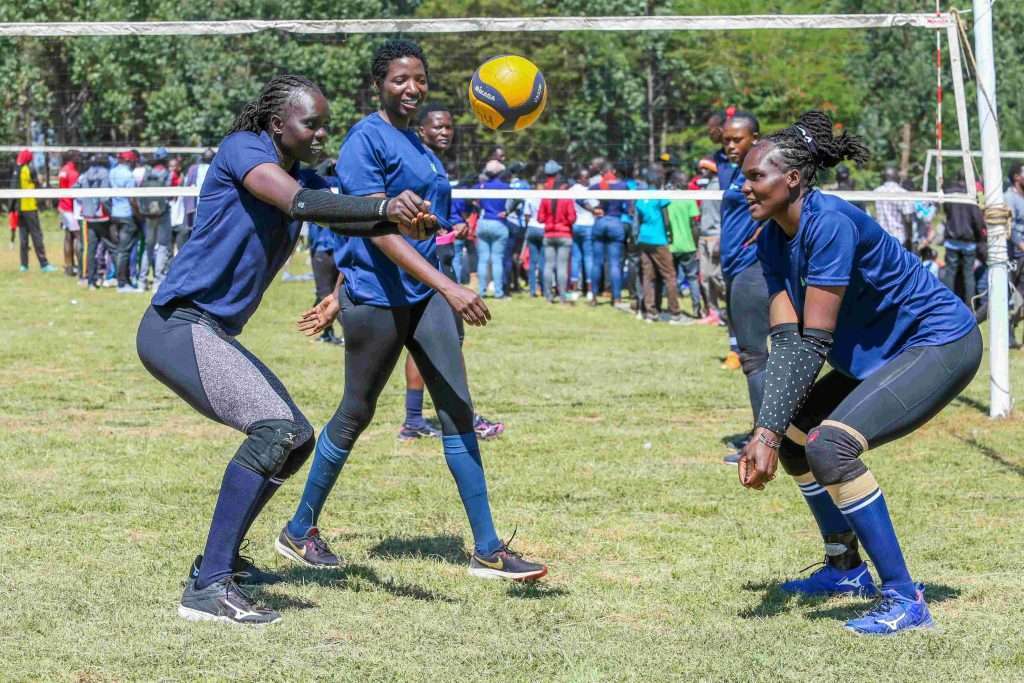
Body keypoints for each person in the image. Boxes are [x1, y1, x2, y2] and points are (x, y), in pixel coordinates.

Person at [137, 74, 434, 625]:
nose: (321, 132)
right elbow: (299, 203)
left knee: (295, 440)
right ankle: (208, 590)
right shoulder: (244, 151)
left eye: (324, 123)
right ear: (278, 124)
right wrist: (384, 206)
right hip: (177, 326)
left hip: (208, 330)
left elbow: (344, 209)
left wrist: (404, 217)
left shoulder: (303, 173)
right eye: (311, 123)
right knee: (277, 429)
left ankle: (219, 563)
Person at [280, 40, 546, 582]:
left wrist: (438, 229)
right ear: (380, 82)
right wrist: (448, 286)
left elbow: (413, 223)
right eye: (401, 79)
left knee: (458, 411)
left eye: (419, 79)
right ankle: (299, 527)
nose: (413, 88)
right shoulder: (365, 139)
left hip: (422, 298)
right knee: (355, 413)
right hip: (379, 300)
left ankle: (488, 548)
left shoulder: (419, 145)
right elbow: (372, 228)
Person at [738, 110, 981, 635]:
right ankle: (845, 569)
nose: (746, 185)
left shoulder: (829, 225)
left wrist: (765, 432)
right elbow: (786, 338)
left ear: (794, 179)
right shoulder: (773, 238)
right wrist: (770, 430)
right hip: (880, 353)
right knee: (799, 438)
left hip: (939, 342)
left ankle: (904, 599)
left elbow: (814, 341)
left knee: (830, 445)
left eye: (757, 176)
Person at [395, 102, 504, 441]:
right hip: (423, 260)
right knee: (442, 342)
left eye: (449, 127)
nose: (445, 132)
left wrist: (452, 224)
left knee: (435, 341)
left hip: (439, 254)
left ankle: (416, 420)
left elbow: (432, 210)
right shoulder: (415, 159)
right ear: (422, 129)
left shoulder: (433, 161)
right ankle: (462, 417)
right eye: (437, 126)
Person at [719, 112, 770, 460]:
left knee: (754, 358)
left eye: (737, 139)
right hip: (736, 270)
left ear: (755, 137)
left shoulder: (765, 166)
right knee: (752, 355)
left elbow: (798, 200)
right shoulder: (738, 171)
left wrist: (766, 231)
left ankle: (762, 440)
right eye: (726, 139)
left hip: (754, 269)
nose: (730, 145)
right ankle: (774, 433)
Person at [634, 171, 683, 322]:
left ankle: (650, 312)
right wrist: (670, 235)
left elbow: (638, 220)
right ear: (659, 181)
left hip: (644, 238)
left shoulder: (641, 197)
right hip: (658, 238)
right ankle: (675, 313)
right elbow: (666, 218)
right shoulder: (660, 195)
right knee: (670, 276)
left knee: (648, 277)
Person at [589, 160, 632, 306]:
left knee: (597, 263)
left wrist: (592, 209)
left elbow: (579, 198)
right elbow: (630, 207)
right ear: (613, 172)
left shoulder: (597, 187)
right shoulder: (622, 186)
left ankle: (594, 297)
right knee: (614, 263)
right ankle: (617, 297)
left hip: (600, 222)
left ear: (602, 173)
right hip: (616, 222)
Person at [942, 173, 985, 308]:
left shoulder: (949, 194)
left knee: (950, 272)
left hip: (952, 240)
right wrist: (981, 236)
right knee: (968, 275)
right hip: (968, 241)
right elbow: (977, 220)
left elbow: (947, 212)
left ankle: (946, 306)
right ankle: (970, 306)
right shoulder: (970, 196)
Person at [74, 154, 116, 289]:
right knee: (113, 247)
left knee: (90, 249)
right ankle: (119, 278)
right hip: (103, 217)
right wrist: (110, 210)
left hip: (89, 217)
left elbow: (74, 190)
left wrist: (85, 205)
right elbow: (104, 198)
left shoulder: (84, 175)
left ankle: (90, 280)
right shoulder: (106, 174)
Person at [11, 149, 56, 273]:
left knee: (23, 238)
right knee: (37, 236)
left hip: (20, 209)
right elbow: (37, 185)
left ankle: (24, 265)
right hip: (30, 207)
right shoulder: (30, 169)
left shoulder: (17, 169)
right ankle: (44, 264)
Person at [665, 170, 702, 317]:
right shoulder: (689, 199)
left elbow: (666, 222)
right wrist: (696, 243)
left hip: (671, 245)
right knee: (692, 278)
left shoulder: (667, 199)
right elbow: (694, 225)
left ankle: (673, 308)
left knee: (671, 279)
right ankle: (697, 308)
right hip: (688, 245)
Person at [537, 167, 575, 304]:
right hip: (564, 234)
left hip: (549, 234)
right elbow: (572, 218)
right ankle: (563, 296)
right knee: (562, 267)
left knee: (548, 265)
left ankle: (548, 296)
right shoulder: (567, 198)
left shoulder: (546, 197)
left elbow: (540, 218)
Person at [138, 147, 173, 291]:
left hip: (148, 215)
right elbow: (170, 194)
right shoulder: (167, 174)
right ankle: (159, 282)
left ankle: (142, 281)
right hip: (163, 214)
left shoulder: (147, 173)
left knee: (148, 247)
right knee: (163, 247)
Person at [475, 159, 509, 298]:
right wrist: (508, 212)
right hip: (499, 223)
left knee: (483, 259)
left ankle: (481, 291)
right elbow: (519, 199)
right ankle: (498, 292)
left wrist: (479, 207)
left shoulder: (481, 186)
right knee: (497, 259)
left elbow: (469, 197)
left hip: (483, 223)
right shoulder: (506, 187)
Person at [109, 150, 141, 292]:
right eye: (134, 161)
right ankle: (122, 283)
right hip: (127, 215)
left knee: (121, 249)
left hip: (116, 213)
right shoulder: (129, 175)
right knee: (124, 250)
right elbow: (132, 198)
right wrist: (140, 215)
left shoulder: (113, 172)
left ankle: (124, 280)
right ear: (129, 161)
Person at [570, 168, 597, 300]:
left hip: (575, 225)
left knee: (576, 258)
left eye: (588, 177)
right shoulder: (589, 191)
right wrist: (594, 211)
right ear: (579, 179)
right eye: (585, 177)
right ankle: (589, 290)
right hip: (587, 225)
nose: (588, 180)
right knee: (587, 257)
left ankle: (577, 289)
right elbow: (595, 206)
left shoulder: (571, 191)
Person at [872, 167, 914, 249]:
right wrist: (910, 237)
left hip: (881, 238)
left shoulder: (876, 192)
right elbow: (908, 219)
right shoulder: (904, 194)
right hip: (899, 237)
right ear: (896, 177)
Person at [58, 149, 83, 277]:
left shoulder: (63, 170)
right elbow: (76, 193)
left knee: (68, 237)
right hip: (70, 208)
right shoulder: (73, 173)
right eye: (78, 156)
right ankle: (80, 267)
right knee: (79, 237)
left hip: (62, 206)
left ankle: (69, 266)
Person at [523, 172, 547, 297]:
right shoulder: (547, 196)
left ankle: (532, 289)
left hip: (532, 227)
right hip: (543, 228)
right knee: (543, 261)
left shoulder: (530, 196)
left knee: (532, 261)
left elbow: (526, 215)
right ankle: (543, 288)